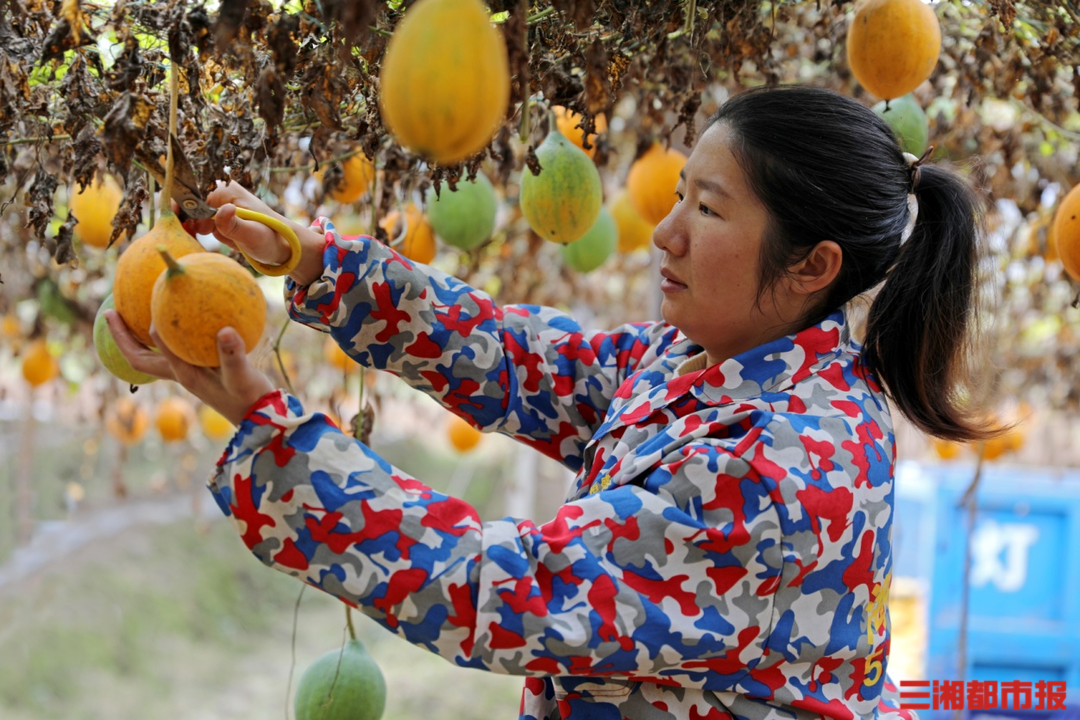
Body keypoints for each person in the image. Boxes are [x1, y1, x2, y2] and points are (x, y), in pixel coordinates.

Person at [108, 85, 994, 720]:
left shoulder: (781, 468)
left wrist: (276, 435)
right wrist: (314, 263)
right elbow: (519, 361)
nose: (666, 231)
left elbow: (504, 593)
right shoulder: (710, 365)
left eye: (710, 211)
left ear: (814, 265)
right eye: (679, 194)